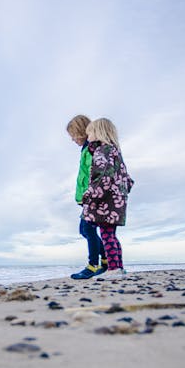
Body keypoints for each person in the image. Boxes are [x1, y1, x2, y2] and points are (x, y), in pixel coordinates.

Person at [82, 118, 134, 279]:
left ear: (97, 133)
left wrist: (89, 194)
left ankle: (113, 269)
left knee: (106, 234)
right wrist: (121, 192)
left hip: (106, 202)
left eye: (89, 133)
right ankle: (119, 268)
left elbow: (102, 177)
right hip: (117, 200)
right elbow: (128, 180)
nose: (87, 136)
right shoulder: (116, 152)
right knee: (111, 234)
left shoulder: (102, 151)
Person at [66, 114, 107, 279]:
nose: (72, 139)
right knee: (85, 230)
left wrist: (90, 193)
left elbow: (93, 171)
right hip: (87, 197)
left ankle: (93, 265)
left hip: (92, 196)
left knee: (88, 229)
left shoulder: (91, 147)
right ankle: (105, 260)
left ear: (80, 131)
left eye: (73, 135)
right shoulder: (85, 149)